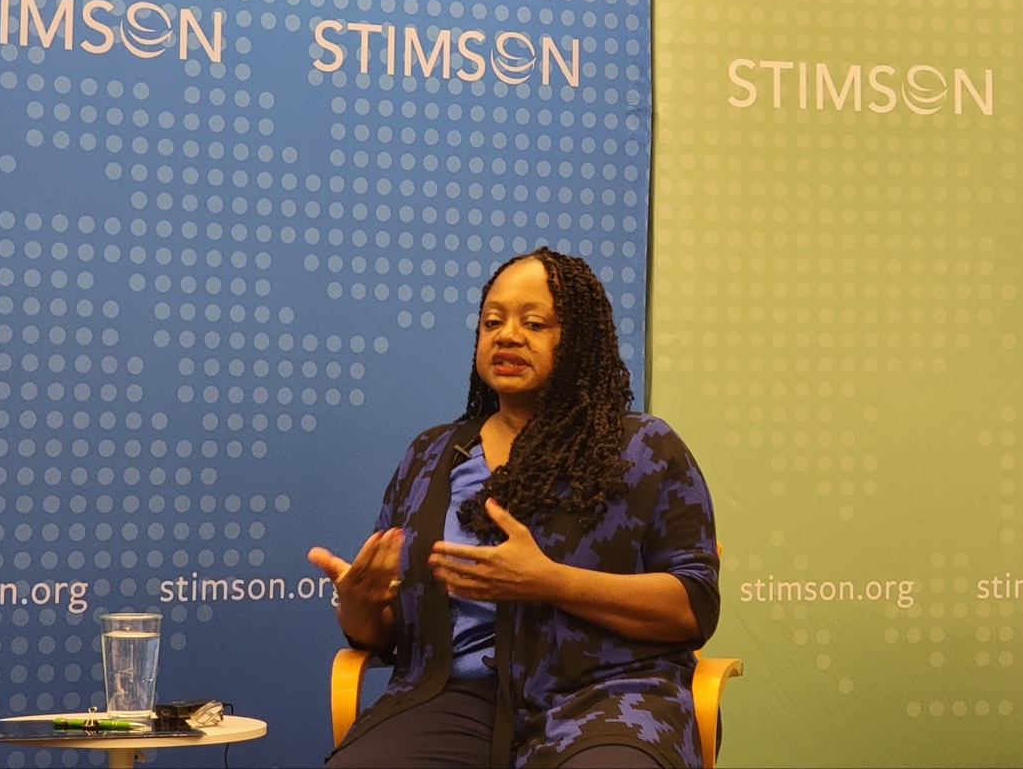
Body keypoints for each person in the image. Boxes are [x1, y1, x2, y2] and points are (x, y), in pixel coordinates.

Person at [308, 247, 720, 768]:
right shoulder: (431, 455)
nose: (506, 335)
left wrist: (548, 581)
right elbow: (386, 637)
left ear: (579, 339)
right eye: (492, 321)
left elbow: (694, 606)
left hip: (608, 695)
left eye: (534, 323)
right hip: (451, 697)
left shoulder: (644, 448)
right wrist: (362, 606)